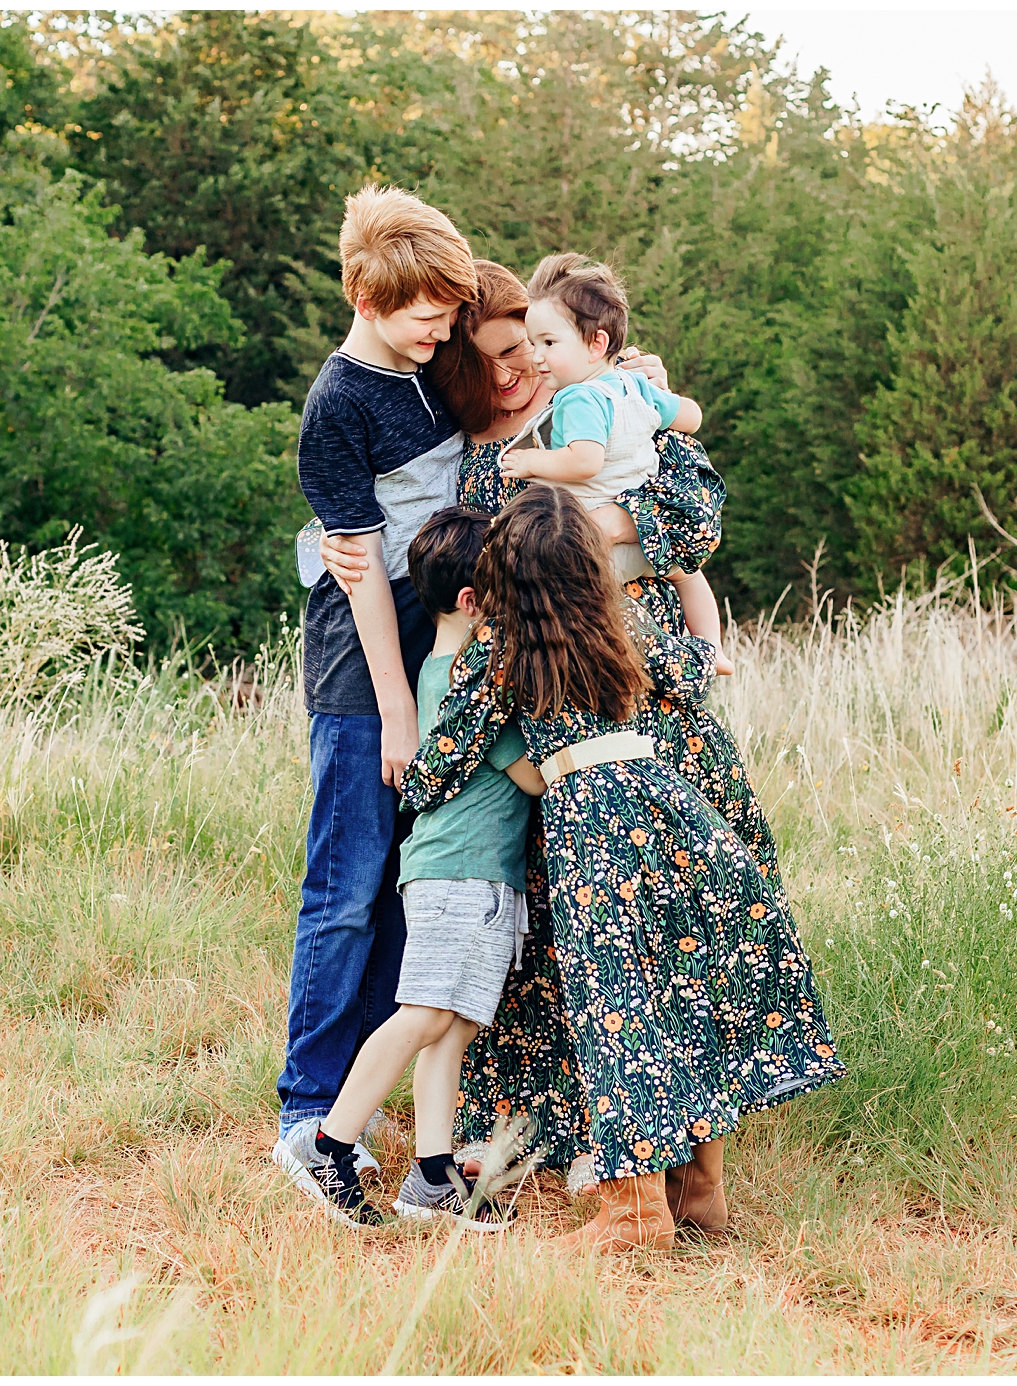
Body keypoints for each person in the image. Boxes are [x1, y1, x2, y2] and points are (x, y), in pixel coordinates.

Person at [320, 261, 784, 1232]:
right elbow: (439, 550)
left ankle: (679, 1146)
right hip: (534, 707)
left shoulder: (615, 415)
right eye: (494, 358)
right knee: (545, 934)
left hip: (635, 672)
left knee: (659, 921)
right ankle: (546, 1136)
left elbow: (692, 523)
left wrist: (580, 529)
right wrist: (327, 546)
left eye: (528, 348)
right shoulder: (471, 457)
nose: (516, 371)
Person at [400, 484, 845, 1251]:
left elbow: (439, 765)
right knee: (677, 998)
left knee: (619, 1013)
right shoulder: (623, 625)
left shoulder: (503, 655)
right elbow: (701, 665)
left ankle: (634, 1214)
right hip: (665, 803)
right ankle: (697, 1194)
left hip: (593, 822)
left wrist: (413, 782)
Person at [277, 185, 480, 1169]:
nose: (440, 328)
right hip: (365, 671)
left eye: (448, 310)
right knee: (347, 890)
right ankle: (304, 1110)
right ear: (366, 298)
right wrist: (400, 714)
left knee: (412, 889)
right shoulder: (338, 405)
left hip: (438, 653)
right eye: (423, 313)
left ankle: (362, 1101)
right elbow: (357, 577)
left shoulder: (430, 367)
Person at [275, 508, 540, 1231]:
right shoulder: (470, 685)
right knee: (421, 1014)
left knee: (450, 1026)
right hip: (460, 876)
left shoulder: (438, 669)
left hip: (468, 873)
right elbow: (530, 777)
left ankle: (431, 1176)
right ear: (472, 602)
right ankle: (330, 1143)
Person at [502, 253, 722, 663]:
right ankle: (711, 649)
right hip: (650, 536)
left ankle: (629, 658)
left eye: (548, 343)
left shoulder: (577, 398)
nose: (535, 357)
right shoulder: (634, 386)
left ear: (596, 343)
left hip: (595, 541)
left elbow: (584, 461)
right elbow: (691, 416)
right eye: (533, 344)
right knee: (686, 574)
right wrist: (663, 404)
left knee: (573, 592)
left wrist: (530, 464)